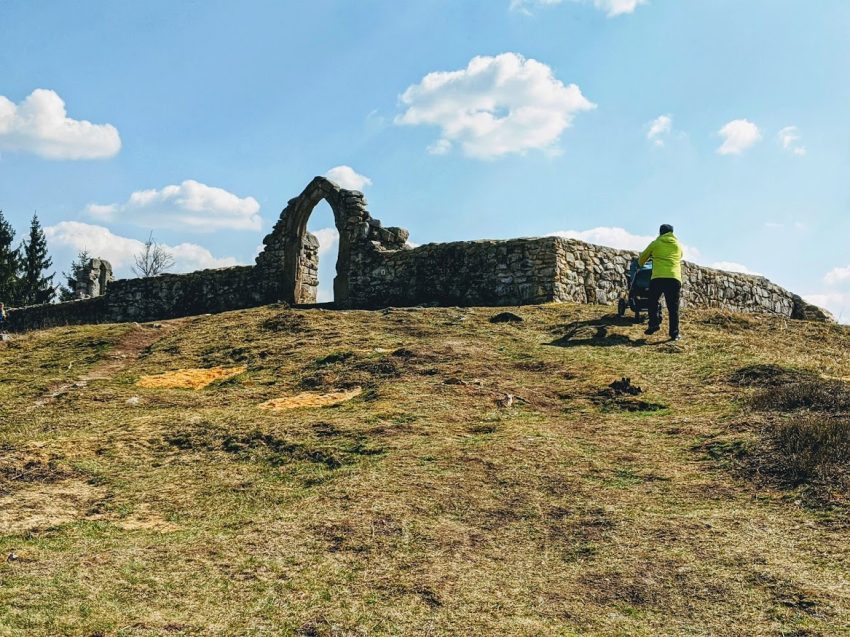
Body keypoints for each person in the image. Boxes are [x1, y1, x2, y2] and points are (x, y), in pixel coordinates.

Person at [638, 224, 683, 341]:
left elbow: (642, 259)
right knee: (673, 308)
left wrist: (642, 264)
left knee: (652, 301)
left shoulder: (655, 244)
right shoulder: (678, 246)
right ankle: (674, 334)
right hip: (674, 278)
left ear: (660, 232)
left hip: (658, 278)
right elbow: (680, 257)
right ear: (672, 233)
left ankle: (654, 323)